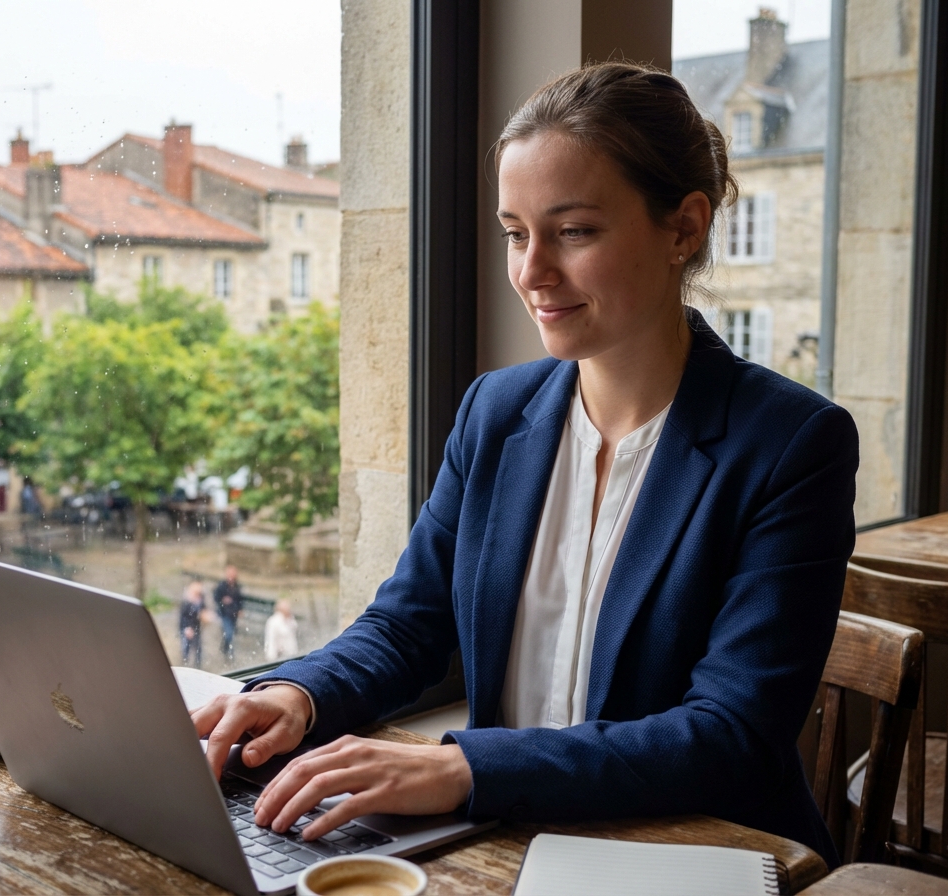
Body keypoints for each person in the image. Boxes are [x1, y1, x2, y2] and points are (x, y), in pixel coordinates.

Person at [193, 62, 858, 867]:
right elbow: (408, 624)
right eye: (516, 232)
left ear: (684, 227)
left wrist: (463, 766)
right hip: (505, 841)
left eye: (573, 231)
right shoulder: (495, 414)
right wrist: (301, 694)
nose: (531, 272)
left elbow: (728, 736)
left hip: (691, 856)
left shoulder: (792, 444)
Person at [214, 565, 243, 661]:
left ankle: (224, 648)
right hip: (225, 613)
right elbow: (216, 597)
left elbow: (240, 600)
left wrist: (240, 609)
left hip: (234, 614)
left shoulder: (237, 586)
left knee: (229, 633)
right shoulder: (222, 586)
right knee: (229, 633)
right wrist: (223, 600)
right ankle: (231, 653)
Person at [178, 580, 206, 668]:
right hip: (187, 627)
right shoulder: (187, 601)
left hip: (196, 626)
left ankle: (198, 665)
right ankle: (185, 661)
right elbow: (183, 616)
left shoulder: (201, 599)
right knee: (186, 646)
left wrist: (204, 615)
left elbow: (204, 610)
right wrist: (186, 628)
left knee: (198, 647)